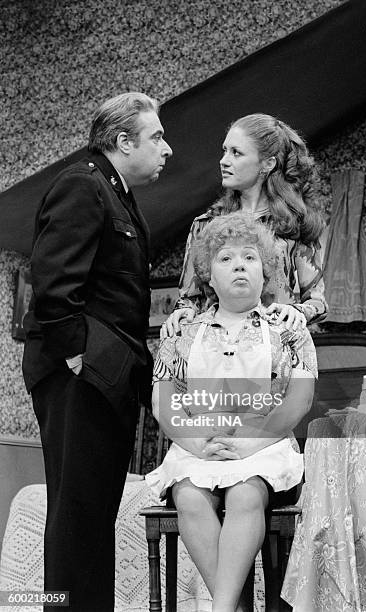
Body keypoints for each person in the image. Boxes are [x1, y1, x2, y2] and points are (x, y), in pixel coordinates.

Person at [22, 92, 172, 612]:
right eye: (156, 137)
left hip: (103, 374)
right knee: (78, 514)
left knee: (91, 516)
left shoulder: (117, 193)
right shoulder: (83, 186)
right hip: (78, 375)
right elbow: (53, 279)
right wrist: (74, 357)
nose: (167, 149)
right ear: (122, 140)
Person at [145, 212, 317, 612]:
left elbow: (299, 400)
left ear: (266, 269)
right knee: (188, 494)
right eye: (226, 258)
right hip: (198, 444)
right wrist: (198, 444)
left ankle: (221, 609)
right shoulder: (182, 332)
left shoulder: (290, 330)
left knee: (244, 491)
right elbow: (163, 402)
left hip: (265, 445)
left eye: (250, 257)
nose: (239, 264)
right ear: (208, 274)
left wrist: (248, 443)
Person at [163, 113, 327, 338]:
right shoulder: (206, 225)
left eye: (236, 153)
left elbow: (317, 302)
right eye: (225, 150)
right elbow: (190, 298)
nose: (224, 160)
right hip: (219, 350)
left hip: (278, 350)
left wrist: (297, 311)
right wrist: (183, 313)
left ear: (267, 164)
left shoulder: (296, 225)